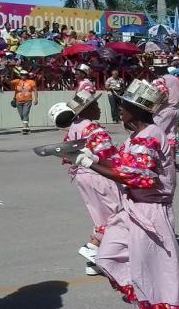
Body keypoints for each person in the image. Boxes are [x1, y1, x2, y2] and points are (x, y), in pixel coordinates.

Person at [71, 79, 179, 308]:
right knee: (107, 257)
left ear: (137, 110)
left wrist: (88, 162)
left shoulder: (151, 135)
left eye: (124, 105)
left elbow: (138, 178)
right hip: (132, 208)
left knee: (152, 270)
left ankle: (155, 301)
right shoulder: (135, 137)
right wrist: (91, 159)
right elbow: (120, 165)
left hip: (151, 211)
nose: (119, 109)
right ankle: (145, 296)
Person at [62, 90, 121, 275]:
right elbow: (109, 156)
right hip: (98, 175)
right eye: (95, 105)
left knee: (100, 216)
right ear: (85, 110)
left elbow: (65, 155)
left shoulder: (74, 128)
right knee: (117, 214)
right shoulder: (93, 129)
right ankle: (93, 247)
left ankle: (94, 264)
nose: (99, 109)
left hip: (81, 176)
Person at [152, 57, 179, 160]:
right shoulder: (175, 79)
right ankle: (173, 162)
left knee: (155, 133)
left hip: (165, 110)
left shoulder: (161, 80)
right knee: (171, 135)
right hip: (176, 109)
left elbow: (162, 96)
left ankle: (159, 160)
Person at [11, 70, 38, 134]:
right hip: (18, 100)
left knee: (25, 113)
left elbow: (35, 90)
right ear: (20, 75)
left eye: (25, 74)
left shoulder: (31, 82)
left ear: (27, 75)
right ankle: (27, 127)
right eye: (22, 74)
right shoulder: (17, 81)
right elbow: (9, 82)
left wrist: (36, 99)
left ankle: (24, 128)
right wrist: (5, 78)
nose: (23, 76)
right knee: (21, 115)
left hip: (28, 100)